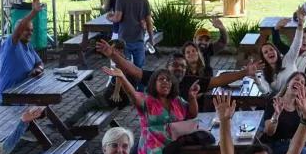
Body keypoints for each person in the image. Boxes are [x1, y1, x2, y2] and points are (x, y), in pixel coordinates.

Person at [103, 65, 203, 154]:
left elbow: (192, 114)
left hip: (175, 144)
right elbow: (132, 94)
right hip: (154, 146)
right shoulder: (147, 100)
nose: (165, 82)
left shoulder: (177, 100)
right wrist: (122, 77)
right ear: (154, 83)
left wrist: (192, 97)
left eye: (168, 80)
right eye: (161, 79)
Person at [97, 39, 256, 110]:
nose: (179, 68)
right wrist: (113, 55)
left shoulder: (191, 81)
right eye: (175, 65)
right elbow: (133, 70)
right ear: (167, 67)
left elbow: (219, 80)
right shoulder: (156, 77)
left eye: (182, 66)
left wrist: (245, 72)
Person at [0, 0, 44, 102]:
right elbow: (21, 26)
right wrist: (33, 12)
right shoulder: (11, 44)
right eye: (26, 30)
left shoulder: (28, 46)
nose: (30, 33)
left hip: (24, 93)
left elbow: (39, 63)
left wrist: (38, 69)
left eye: (31, 30)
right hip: (8, 95)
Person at [109, 0, 155, 70]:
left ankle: (126, 80)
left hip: (124, 39)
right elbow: (149, 22)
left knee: (125, 67)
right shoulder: (144, 1)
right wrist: (151, 38)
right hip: (139, 38)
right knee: (139, 68)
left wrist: (110, 17)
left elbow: (117, 18)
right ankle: (137, 80)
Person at [254, 11, 306, 94]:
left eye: (271, 49)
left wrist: (300, 24)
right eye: (265, 52)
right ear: (263, 57)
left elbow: (297, 43)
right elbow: (265, 90)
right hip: (279, 100)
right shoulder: (265, 72)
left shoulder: (288, 59)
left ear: (276, 52)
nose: (269, 52)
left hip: (296, 96)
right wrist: (255, 78)